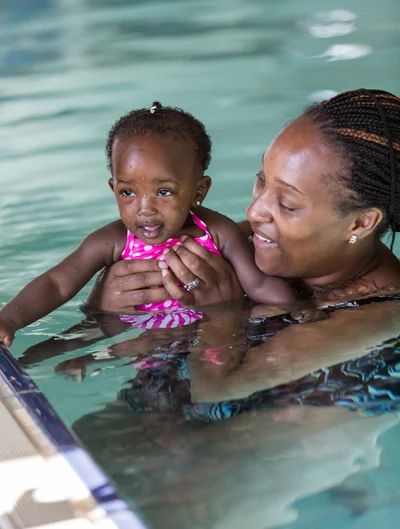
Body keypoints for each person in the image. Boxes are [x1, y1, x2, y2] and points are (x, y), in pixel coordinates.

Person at [0, 102, 297, 347]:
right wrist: (9, 320)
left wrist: (300, 315)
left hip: (212, 346)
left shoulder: (218, 231)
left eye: (164, 192)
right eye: (127, 192)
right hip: (146, 351)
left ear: (198, 191)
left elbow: (258, 284)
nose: (145, 209)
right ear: (112, 187)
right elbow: (56, 283)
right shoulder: (112, 240)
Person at [88, 88, 400, 313]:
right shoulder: (250, 241)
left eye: (287, 204)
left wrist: (221, 315)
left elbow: (217, 396)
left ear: (360, 222)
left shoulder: (373, 314)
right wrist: (105, 299)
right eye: (261, 180)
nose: (253, 211)